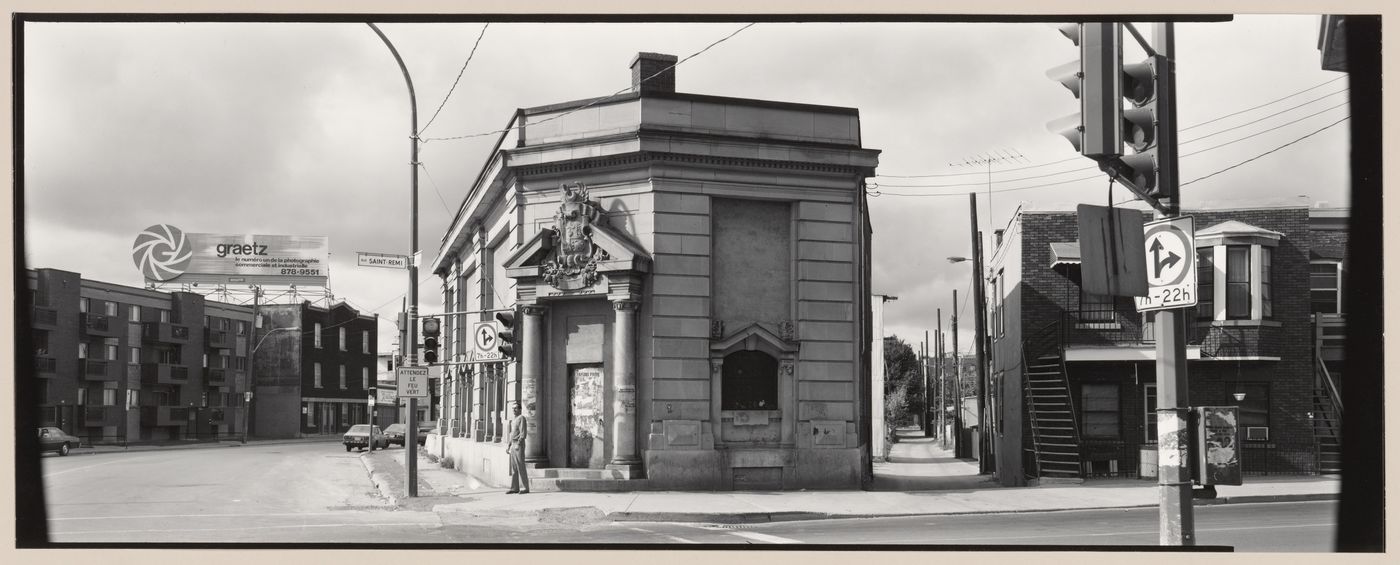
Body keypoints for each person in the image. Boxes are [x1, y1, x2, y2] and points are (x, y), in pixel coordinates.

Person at [506, 401, 530, 494]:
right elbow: (512, 434)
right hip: (513, 445)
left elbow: (523, 433)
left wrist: (518, 443)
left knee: (521, 466)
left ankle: (525, 487)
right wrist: (509, 445)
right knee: (514, 467)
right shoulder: (514, 420)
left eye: (516, 408)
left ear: (520, 409)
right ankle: (514, 487)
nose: (514, 410)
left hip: (518, 445)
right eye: (513, 408)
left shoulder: (521, 418)